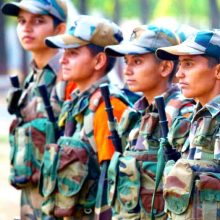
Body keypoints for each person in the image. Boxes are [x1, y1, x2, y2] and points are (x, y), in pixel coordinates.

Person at [156, 29, 220, 219]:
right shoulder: (193, 118)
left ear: (219, 70)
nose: (179, 74)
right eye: (180, 65)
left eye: (188, 64)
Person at [39, 15, 129, 219]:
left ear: (99, 61)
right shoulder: (75, 102)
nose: (62, 60)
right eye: (64, 53)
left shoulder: (109, 107)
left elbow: (111, 185)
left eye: (73, 53)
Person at [104, 25, 195, 219]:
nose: (127, 70)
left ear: (165, 67)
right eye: (126, 62)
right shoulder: (135, 114)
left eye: (137, 61)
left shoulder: (182, 114)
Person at [1, 0, 74, 218]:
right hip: (32, 201)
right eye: (22, 21)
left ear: (60, 29)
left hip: (63, 202)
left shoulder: (70, 75)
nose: (27, 27)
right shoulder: (33, 78)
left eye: (38, 21)